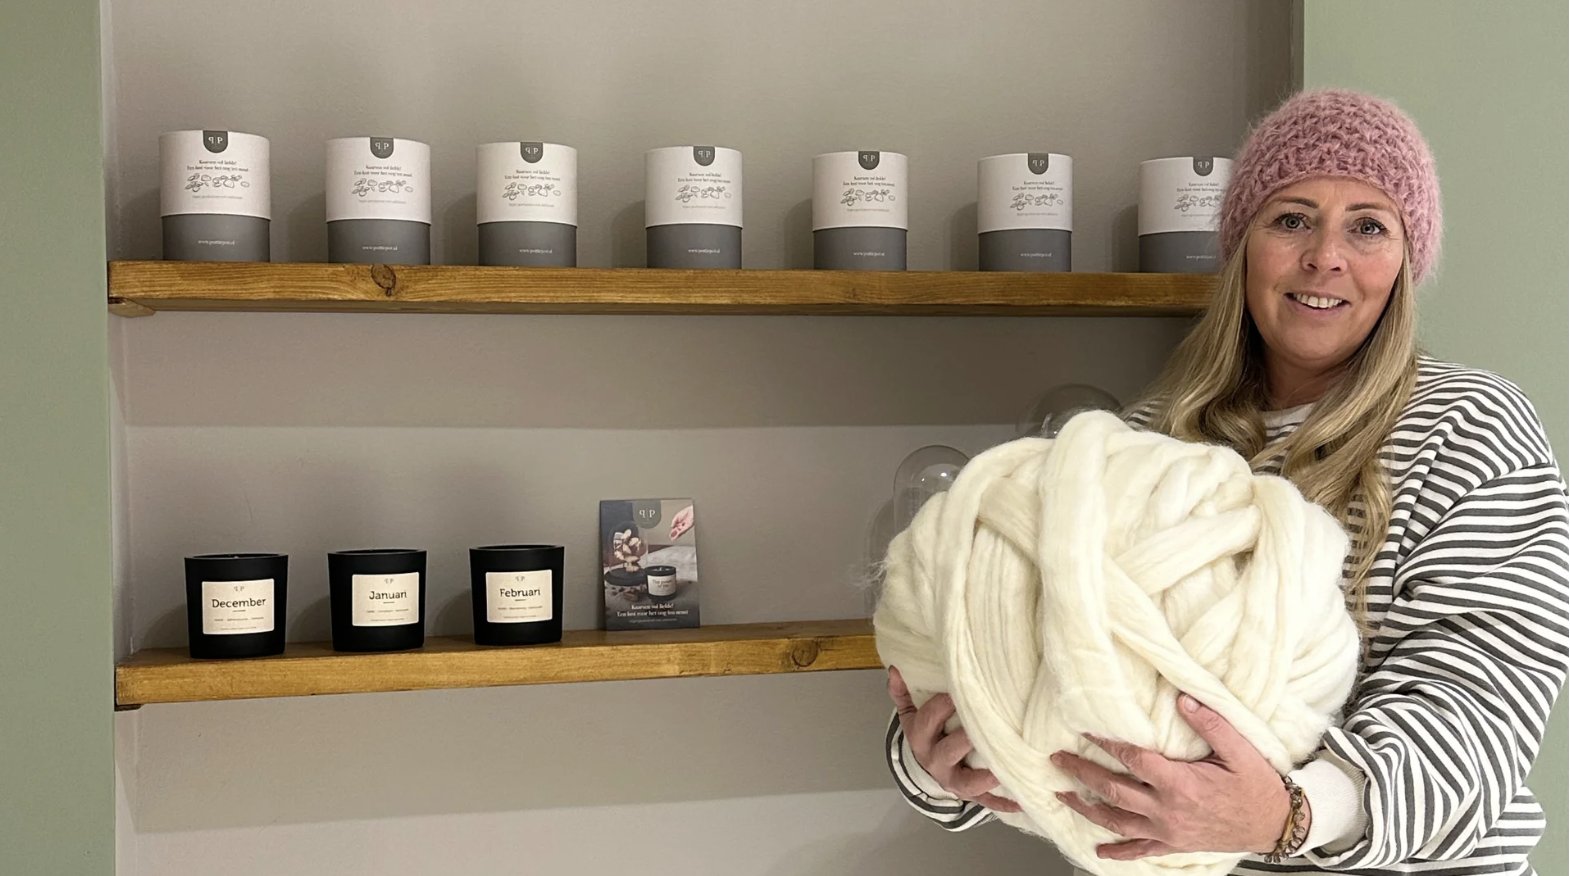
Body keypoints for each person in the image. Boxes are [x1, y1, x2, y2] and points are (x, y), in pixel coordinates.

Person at [883, 89, 1570, 875]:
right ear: (1244, 244)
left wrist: (1288, 815)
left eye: (1369, 226)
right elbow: (1017, 638)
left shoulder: (1470, 428)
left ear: (1406, 264)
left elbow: (1483, 701)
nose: (1325, 257)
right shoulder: (1144, 436)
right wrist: (938, 761)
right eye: (1292, 219)